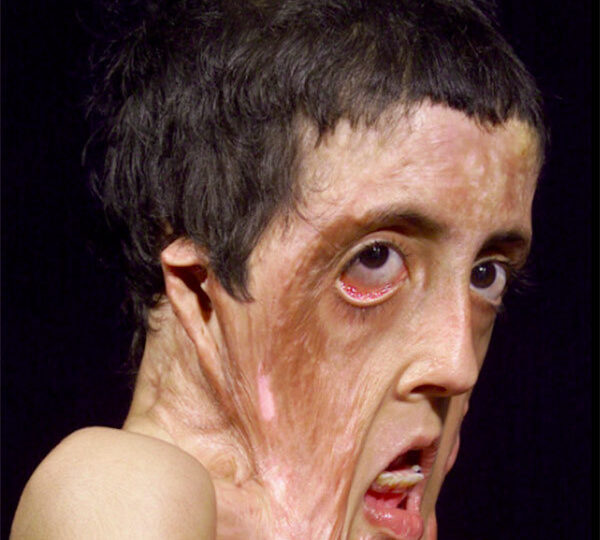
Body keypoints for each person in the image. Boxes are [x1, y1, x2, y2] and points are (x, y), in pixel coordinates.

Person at [11, 1, 546, 539]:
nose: (458, 365)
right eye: (375, 259)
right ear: (200, 292)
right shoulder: (118, 484)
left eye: (486, 274)